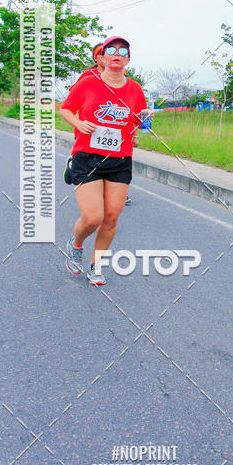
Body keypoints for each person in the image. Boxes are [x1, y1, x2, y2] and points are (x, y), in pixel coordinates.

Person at [59, 37, 147, 285]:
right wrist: (78, 123)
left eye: (122, 51)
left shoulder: (135, 89)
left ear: (128, 59)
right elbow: (65, 109)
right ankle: (76, 245)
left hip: (120, 159)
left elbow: (136, 118)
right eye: (111, 50)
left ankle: (96, 265)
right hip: (88, 158)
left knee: (111, 217)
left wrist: (139, 128)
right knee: (93, 217)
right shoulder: (88, 84)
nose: (117, 54)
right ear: (102, 58)